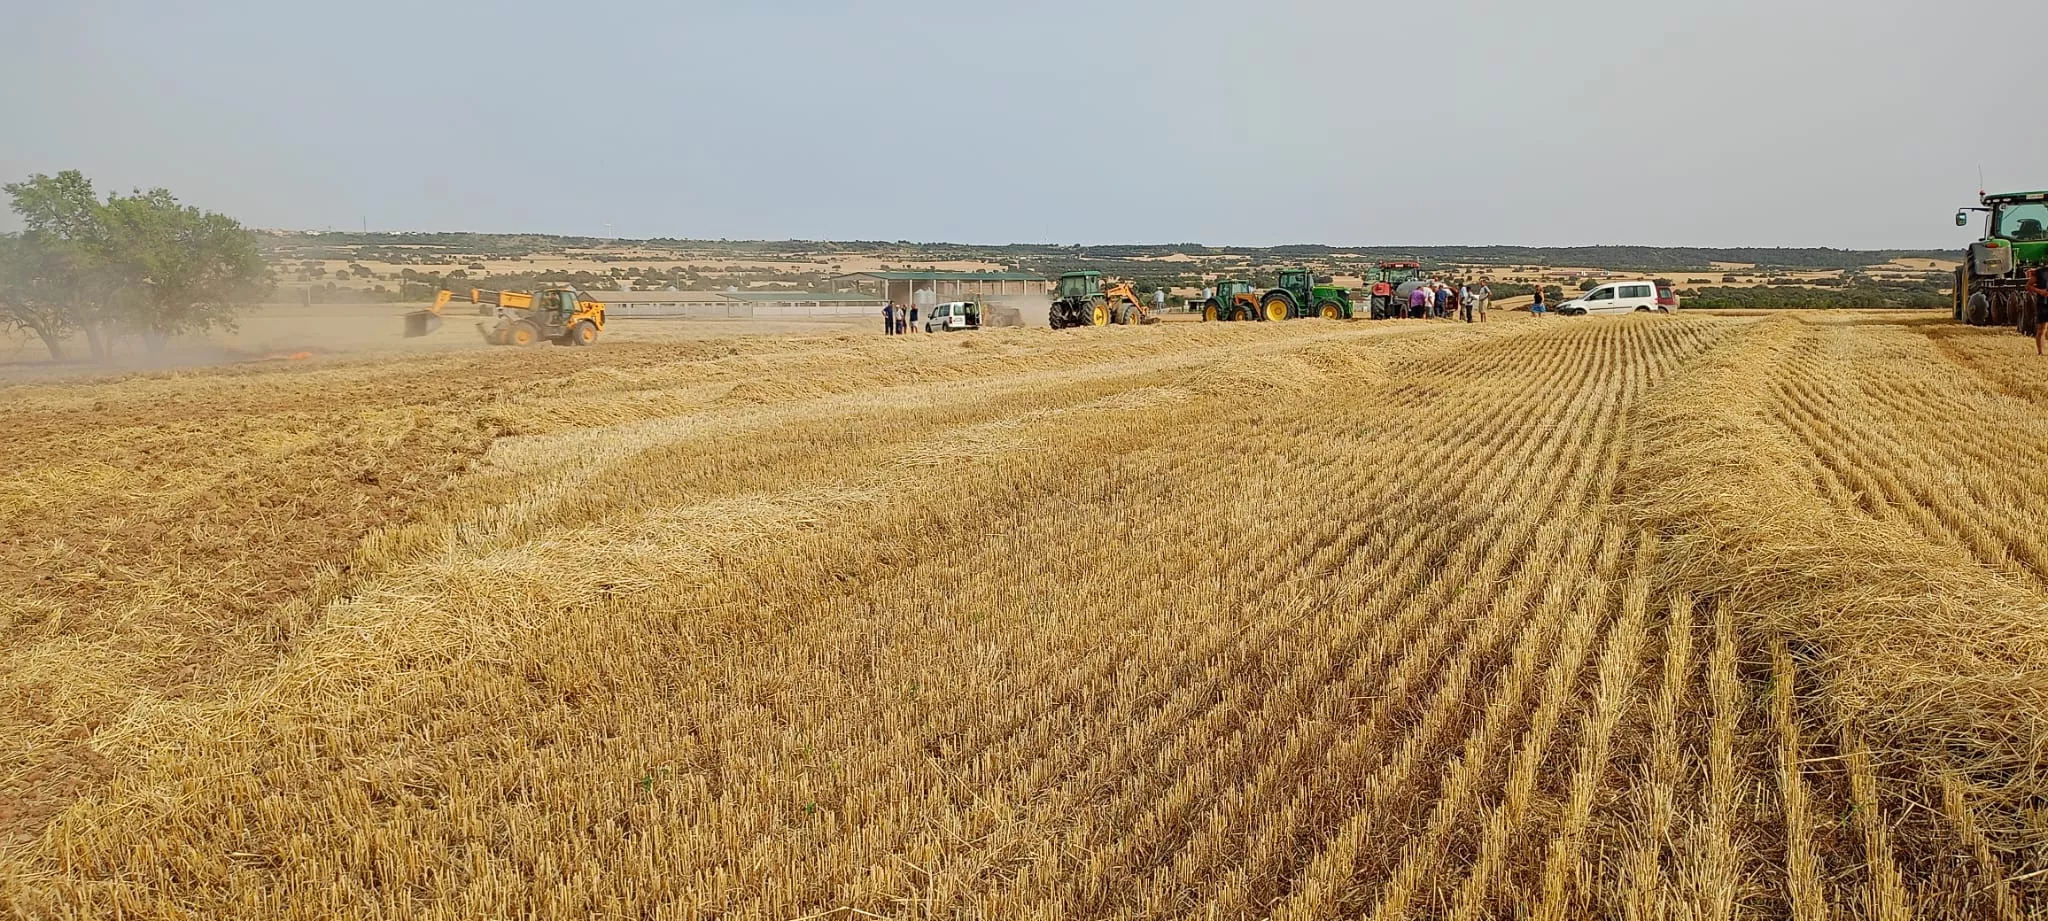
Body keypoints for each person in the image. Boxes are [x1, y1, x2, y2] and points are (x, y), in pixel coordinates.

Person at [2029, 263, 2048, 356]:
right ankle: (2041, 353)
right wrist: (2040, 291)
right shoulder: (2039, 272)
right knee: (2042, 329)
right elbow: (2028, 286)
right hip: (2043, 303)